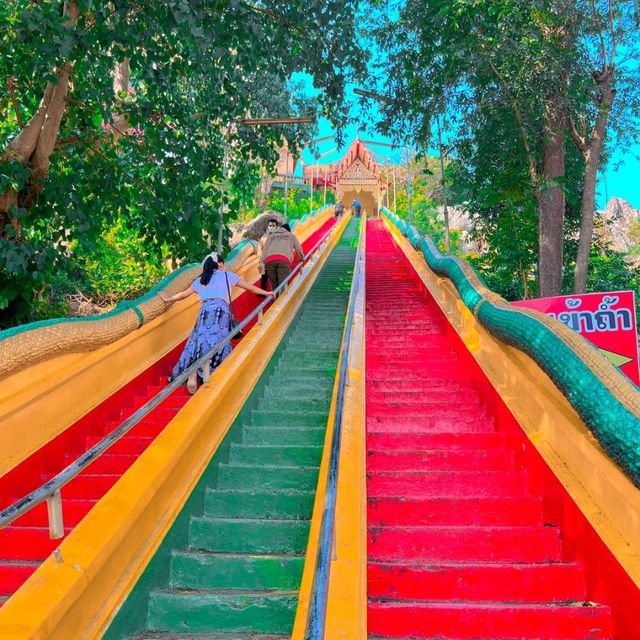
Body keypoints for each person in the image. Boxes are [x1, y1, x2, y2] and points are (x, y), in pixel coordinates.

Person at [159, 252, 274, 393]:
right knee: (219, 344)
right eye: (223, 263)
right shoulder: (227, 276)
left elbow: (183, 295)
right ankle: (216, 374)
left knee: (200, 343)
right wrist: (266, 293)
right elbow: (249, 287)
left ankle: (194, 373)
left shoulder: (202, 280)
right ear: (219, 264)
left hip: (204, 314)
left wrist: (168, 299)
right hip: (220, 313)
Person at [259, 219, 304, 293]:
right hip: (284, 260)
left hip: (269, 261)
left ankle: (275, 300)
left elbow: (265, 251)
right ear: (288, 230)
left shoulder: (271, 236)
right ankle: (281, 302)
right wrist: (302, 258)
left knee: (274, 286)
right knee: (283, 285)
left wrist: (261, 263)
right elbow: (298, 249)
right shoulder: (291, 236)